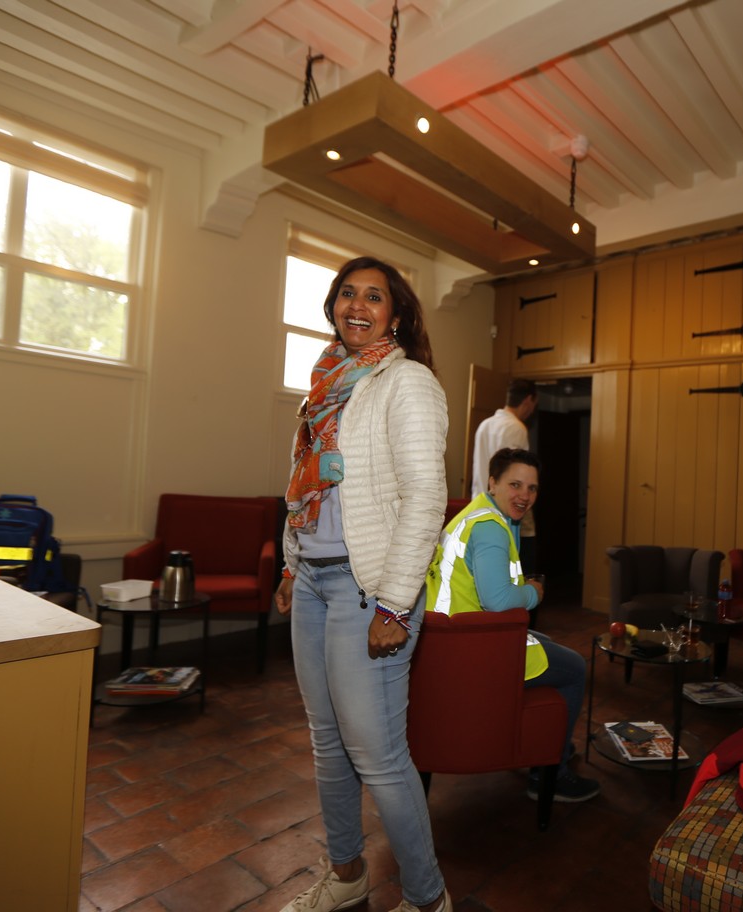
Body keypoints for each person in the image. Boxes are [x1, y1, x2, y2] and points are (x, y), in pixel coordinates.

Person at [274, 256, 451, 912]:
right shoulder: (324, 386)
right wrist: (291, 565)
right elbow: (302, 486)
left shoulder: (406, 382)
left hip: (368, 590)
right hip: (314, 581)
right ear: (333, 307)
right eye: (347, 293)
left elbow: (425, 498)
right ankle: (347, 877)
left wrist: (395, 605)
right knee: (328, 745)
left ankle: (428, 900)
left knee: (378, 756)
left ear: (395, 314)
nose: (358, 305)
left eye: (374, 296)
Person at [426, 447, 600, 802]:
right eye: (515, 484)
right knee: (575, 667)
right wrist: (534, 593)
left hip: (451, 642)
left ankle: (547, 743)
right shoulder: (491, 528)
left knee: (544, 639)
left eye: (532, 488)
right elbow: (497, 601)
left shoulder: (475, 514)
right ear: (492, 482)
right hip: (472, 651)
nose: (525, 495)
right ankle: (549, 774)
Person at [470, 379, 538, 573]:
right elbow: (517, 477)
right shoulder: (516, 427)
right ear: (528, 401)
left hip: (479, 508)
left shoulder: (485, 425)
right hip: (505, 514)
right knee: (514, 572)